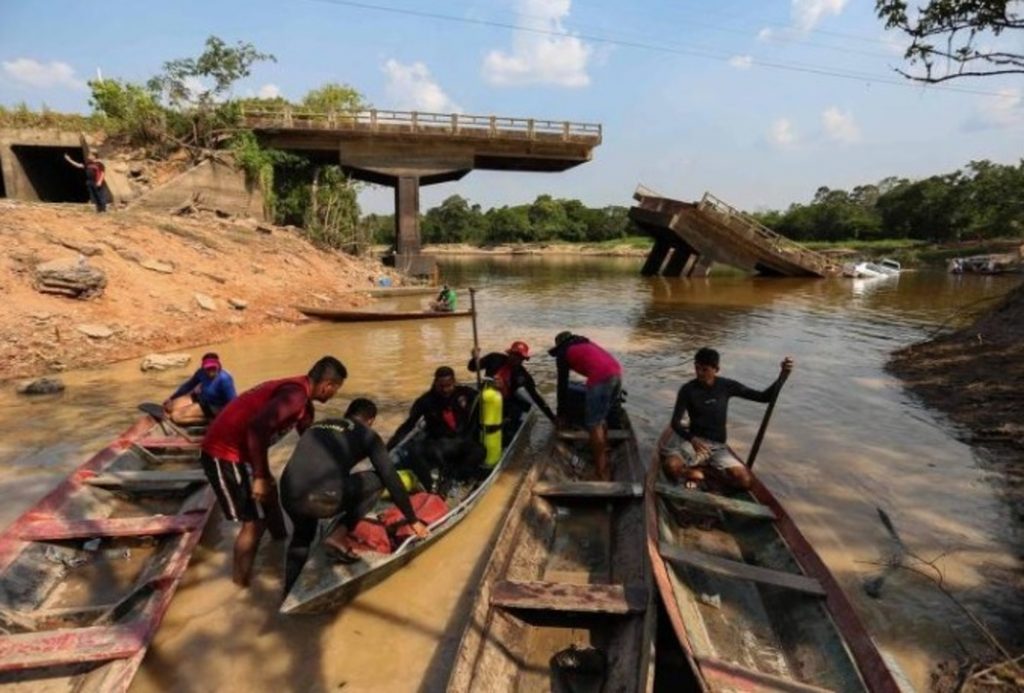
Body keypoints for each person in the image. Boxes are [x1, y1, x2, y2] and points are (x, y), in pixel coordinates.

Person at [200, 355, 347, 587]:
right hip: (224, 454)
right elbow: (257, 428)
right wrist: (260, 476)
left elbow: (310, 443)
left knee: (271, 493)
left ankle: (279, 543)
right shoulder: (295, 396)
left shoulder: (303, 405)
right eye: (335, 389)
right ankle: (240, 586)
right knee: (254, 524)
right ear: (328, 385)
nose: (334, 394)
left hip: (244, 453)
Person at [279, 398, 428, 593]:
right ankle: (338, 534)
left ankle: (288, 593)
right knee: (378, 480)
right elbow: (391, 478)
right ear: (371, 420)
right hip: (322, 497)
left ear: (347, 414)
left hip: (288, 493)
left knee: (301, 538)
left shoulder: (317, 426)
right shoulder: (367, 435)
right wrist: (413, 519)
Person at [660, 348, 793, 492]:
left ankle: (707, 477)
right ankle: (693, 474)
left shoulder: (726, 386)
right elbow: (675, 423)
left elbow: (764, 397)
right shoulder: (687, 390)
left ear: (716, 369)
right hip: (694, 444)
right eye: (697, 368)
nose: (699, 373)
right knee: (671, 466)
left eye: (705, 369)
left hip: (718, 447)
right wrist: (692, 439)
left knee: (746, 481)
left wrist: (782, 377)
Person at [387, 366, 485, 493]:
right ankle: (431, 484)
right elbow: (408, 425)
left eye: (448, 385)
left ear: (454, 382)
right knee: (415, 449)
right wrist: (388, 447)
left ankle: (454, 478)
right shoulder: (426, 401)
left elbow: (483, 396)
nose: (445, 390)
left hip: (461, 441)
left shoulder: (464, 393)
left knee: (480, 451)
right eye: (441, 386)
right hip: (438, 444)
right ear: (435, 383)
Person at [548, 332, 623, 481]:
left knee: (593, 425)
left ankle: (601, 473)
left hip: (601, 378)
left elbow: (562, 385)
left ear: (559, 345)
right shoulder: (586, 344)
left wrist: (560, 413)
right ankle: (605, 454)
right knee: (601, 418)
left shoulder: (564, 352)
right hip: (617, 373)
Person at [467, 341, 556, 434]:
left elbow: (536, 397)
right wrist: (475, 358)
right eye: (515, 355)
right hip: (485, 395)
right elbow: (473, 368)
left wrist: (552, 418)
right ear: (510, 353)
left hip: (505, 402)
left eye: (520, 357)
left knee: (515, 415)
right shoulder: (494, 358)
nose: (517, 359)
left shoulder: (523, 376)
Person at [162, 352, 237, 424]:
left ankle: (210, 420)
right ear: (203, 367)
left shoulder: (225, 379)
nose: (211, 371)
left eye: (213, 368)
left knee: (176, 417)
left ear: (219, 366)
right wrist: (172, 397)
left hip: (214, 406)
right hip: (202, 399)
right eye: (208, 368)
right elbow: (188, 386)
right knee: (169, 407)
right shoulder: (201, 372)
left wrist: (229, 419)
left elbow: (233, 402)